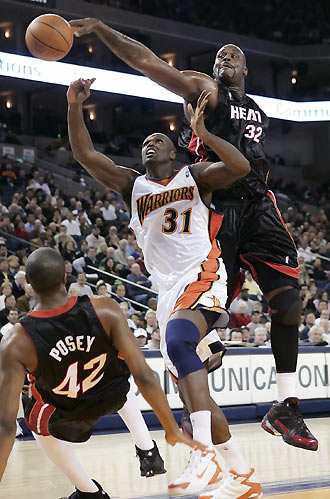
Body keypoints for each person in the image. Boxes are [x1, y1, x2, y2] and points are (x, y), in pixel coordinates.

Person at [69, 18, 318, 453]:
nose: (225, 56)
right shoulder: (206, 90)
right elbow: (147, 62)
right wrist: (103, 31)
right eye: (219, 54)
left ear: (246, 71)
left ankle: (285, 404)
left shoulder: (254, 108)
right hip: (218, 206)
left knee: (290, 304)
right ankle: (207, 428)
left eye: (234, 55)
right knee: (199, 331)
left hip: (258, 203)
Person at [67, 78, 261, 499]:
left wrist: (205, 134)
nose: (151, 144)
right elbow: (84, 154)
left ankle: (204, 453)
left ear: (174, 150)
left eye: (159, 139)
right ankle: (241, 475)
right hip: (167, 291)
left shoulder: (195, 176)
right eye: (146, 142)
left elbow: (242, 169)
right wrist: (74, 106)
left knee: (176, 343)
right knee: (195, 396)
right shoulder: (131, 185)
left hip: (202, 271)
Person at [0, 248, 198, 497]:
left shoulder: (16, 340)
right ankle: (148, 450)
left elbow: (6, 426)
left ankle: (89, 491)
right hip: (111, 395)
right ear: (65, 278)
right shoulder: (105, 308)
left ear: (28, 284)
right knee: (119, 366)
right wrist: (170, 427)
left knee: (35, 417)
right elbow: (145, 376)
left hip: (67, 413)